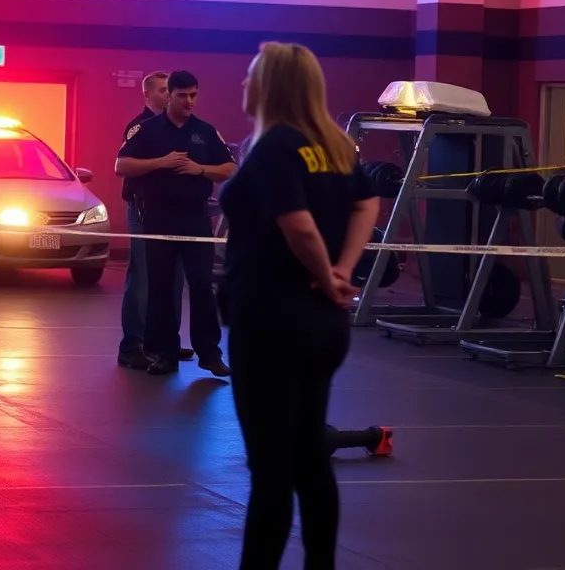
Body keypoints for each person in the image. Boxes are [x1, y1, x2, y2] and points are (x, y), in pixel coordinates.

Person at [217, 42, 380, 569]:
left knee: (270, 471)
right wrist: (341, 272)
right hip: (322, 327)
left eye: (250, 76)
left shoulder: (274, 148)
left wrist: (323, 271)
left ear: (270, 86)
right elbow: (367, 202)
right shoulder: (332, 145)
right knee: (310, 459)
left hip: (271, 324)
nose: (244, 85)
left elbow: (298, 223)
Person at [115, 70, 234, 377]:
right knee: (160, 288)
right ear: (170, 96)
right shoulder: (147, 130)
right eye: (182, 95)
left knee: (201, 286)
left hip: (196, 218)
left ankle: (210, 353)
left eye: (194, 95)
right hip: (157, 217)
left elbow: (230, 169)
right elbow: (121, 165)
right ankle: (162, 353)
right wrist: (161, 163)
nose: (189, 101)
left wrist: (199, 169)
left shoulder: (206, 131)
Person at [118, 71, 192, 370]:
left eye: (169, 89)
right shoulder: (139, 128)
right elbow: (124, 166)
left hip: (174, 212)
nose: (166, 94)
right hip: (144, 211)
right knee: (143, 279)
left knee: (173, 279)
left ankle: (163, 343)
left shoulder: (180, 128)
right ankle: (131, 346)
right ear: (147, 95)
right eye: (162, 90)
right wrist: (161, 164)